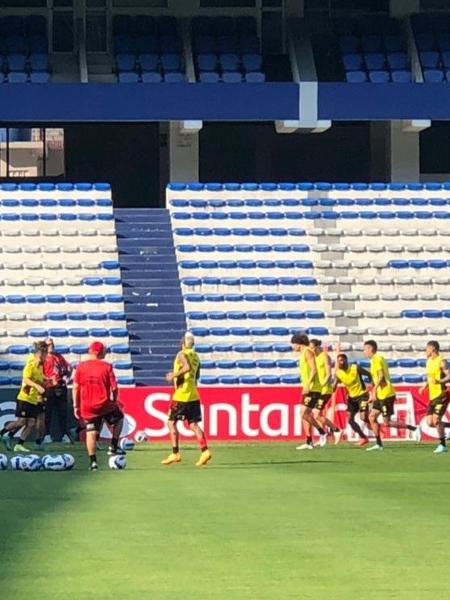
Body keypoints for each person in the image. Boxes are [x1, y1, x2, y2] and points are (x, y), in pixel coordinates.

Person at [161, 332, 211, 467]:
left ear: (183, 344)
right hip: (193, 395)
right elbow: (197, 376)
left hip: (181, 396)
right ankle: (205, 451)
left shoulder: (181, 354)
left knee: (171, 423)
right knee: (194, 425)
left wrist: (173, 375)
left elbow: (187, 367)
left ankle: (175, 453)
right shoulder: (196, 357)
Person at [73, 341, 124, 471]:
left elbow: (76, 387)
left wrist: (75, 405)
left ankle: (93, 463)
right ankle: (113, 445)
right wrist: (115, 400)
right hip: (104, 404)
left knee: (90, 432)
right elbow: (114, 387)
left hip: (87, 406)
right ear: (100, 352)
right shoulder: (106, 366)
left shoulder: (81, 367)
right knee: (119, 419)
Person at [363, 340, 420, 451]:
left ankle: (414, 428)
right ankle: (379, 444)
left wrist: (374, 389)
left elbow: (381, 376)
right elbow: (376, 378)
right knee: (372, 417)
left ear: (370, 349)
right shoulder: (374, 360)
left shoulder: (377, 359)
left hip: (386, 394)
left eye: (365, 349)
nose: (364, 351)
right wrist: (372, 393)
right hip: (380, 395)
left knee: (387, 422)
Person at [1, 341, 48, 452]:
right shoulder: (30, 364)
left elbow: (37, 379)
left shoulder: (40, 366)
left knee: (31, 423)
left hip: (32, 399)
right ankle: (2, 433)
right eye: (45, 353)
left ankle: (19, 445)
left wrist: (45, 381)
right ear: (40, 353)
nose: (47, 356)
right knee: (21, 422)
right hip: (24, 398)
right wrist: (37, 386)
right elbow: (26, 379)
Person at [291, 332, 327, 451]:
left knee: (303, 413)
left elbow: (314, 369)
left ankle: (322, 432)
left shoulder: (307, 352)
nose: (292, 347)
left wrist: (307, 384)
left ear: (298, 343)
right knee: (304, 415)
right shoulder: (303, 353)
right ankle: (309, 441)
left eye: (293, 344)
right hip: (308, 387)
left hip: (313, 388)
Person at [334, 352, 372, 447]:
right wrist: (331, 387)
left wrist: (371, 386)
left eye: (342, 360)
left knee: (363, 417)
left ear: (346, 361)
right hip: (351, 398)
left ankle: (374, 424)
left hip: (362, 395)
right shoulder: (338, 373)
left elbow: (369, 374)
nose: (340, 363)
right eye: (338, 361)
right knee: (350, 420)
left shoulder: (355, 368)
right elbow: (334, 385)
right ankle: (363, 437)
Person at [419, 340, 450, 454]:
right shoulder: (428, 362)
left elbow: (449, 376)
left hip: (442, 395)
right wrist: (424, 386)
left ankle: (442, 445)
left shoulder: (442, 361)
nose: (425, 351)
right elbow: (430, 378)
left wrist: (439, 381)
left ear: (432, 349)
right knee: (430, 423)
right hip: (433, 396)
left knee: (436, 420)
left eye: (427, 349)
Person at [309, 339, 341, 445]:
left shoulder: (325, 356)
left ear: (318, 347)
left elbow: (328, 374)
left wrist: (323, 384)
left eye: (312, 347)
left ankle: (336, 430)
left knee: (317, 414)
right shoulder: (315, 358)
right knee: (316, 413)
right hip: (318, 390)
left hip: (325, 390)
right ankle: (323, 437)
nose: (311, 350)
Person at [43, 337, 73, 444]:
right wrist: (48, 380)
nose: (50, 346)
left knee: (62, 412)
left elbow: (69, 368)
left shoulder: (58, 356)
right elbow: (39, 373)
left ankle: (65, 434)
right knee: (48, 413)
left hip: (60, 386)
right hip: (48, 387)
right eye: (48, 344)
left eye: (52, 344)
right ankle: (47, 435)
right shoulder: (43, 358)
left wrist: (67, 379)